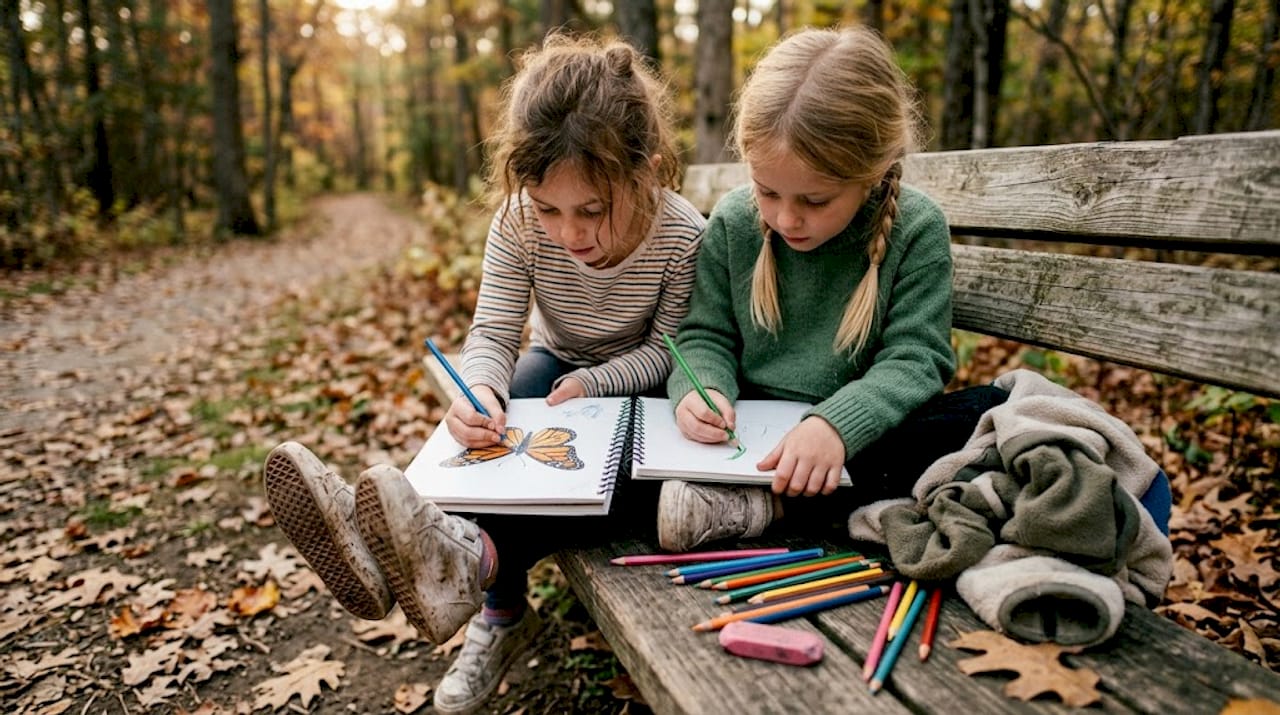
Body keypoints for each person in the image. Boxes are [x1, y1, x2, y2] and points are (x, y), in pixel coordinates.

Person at [262, 33, 705, 715]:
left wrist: (599, 383)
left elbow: (674, 351)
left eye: (592, 210)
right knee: (510, 401)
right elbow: (495, 332)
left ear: (644, 171)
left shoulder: (680, 236)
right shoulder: (518, 224)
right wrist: (481, 391)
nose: (568, 233)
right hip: (553, 366)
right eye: (548, 208)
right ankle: (394, 547)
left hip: (640, 385)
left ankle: (473, 582)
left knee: (602, 452)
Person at [657, 25, 1009, 553]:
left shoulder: (915, 228)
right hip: (751, 430)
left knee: (982, 415)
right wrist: (701, 390)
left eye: (815, 201)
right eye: (767, 191)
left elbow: (916, 360)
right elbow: (705, 334)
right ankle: (770, 497)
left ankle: (762, 505)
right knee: (635, 434)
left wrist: (836, 427)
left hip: (863, 440)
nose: (785, 218)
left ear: (872, 172)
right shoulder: (735, 220)